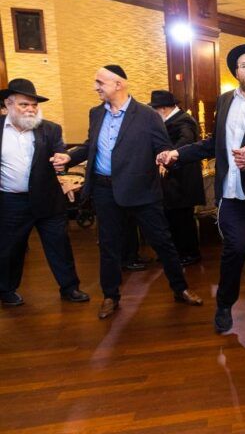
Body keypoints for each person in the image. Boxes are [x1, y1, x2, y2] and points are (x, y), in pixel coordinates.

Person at [157, 45, 245, 332]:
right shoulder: (225, 100)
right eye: (243, 66)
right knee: (236, 247)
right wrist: (178, 153)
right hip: (231, 193)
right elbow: (213, 143)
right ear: (236, 73)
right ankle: (224, 305)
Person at [52, 65, 202, 319]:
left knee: (162, 242)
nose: (95, 87)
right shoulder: (96, 113)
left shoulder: (147, 115)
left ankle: (180, 288)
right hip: (104, 189)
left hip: (142, 190)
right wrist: (69, 156)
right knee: (109, 246)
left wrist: (164, 156)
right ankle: (110, 296)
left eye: (100, 82)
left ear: (118, 84)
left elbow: (162, 146)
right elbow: (90, 146)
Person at [0, 78, 88, 307]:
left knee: (59, 245)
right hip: (11, 201)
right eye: (24, 104)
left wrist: (62, 159)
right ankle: (7, 290)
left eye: (34, 105)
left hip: (48, 199)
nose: (30, 109)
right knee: (10, 248)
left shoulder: (50, 129)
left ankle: (70, 288)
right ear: (8, 104)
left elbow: (61, 154)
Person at [149, 90, 205, 266]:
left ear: (163, 108)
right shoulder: (171, 120)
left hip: (183, 181)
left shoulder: (184, 120)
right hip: (173, 181)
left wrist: (168, 156)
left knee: (183, 219)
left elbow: (186, 141)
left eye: (155, 110)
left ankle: (190, 254)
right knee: (172, 218)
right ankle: (175, 253)